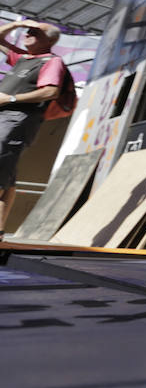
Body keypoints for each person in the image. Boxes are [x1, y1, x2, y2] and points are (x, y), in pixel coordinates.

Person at [0, 19, 70, 231]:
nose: (26, 34)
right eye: (27, 31)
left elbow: (51, 91)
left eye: (33, 32)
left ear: (47, 40)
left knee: (1, 172)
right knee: (7, 178)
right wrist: (14, 25)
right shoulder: (23, 57)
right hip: (7, 118)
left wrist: (10, 99)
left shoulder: (51, 61)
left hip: (17, 119)